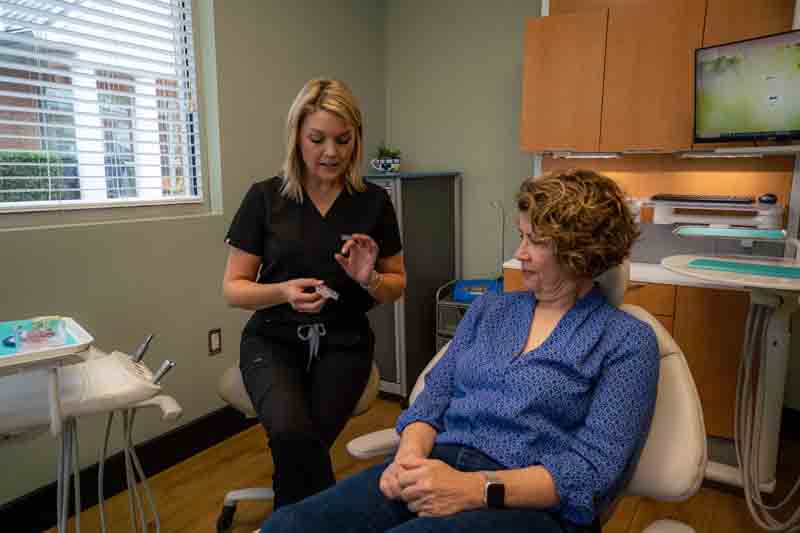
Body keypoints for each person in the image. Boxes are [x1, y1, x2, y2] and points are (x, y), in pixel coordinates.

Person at [260, 169, 660, 533]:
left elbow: (590, 473)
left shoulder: (625, 340)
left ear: (581, 254)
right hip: (437, 465)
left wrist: (473, 489)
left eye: (535, 242)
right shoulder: (491, 308)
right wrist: (408, 460)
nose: (520, 253)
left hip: (530, 503)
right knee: (289, 525)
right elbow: (433, 398)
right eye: (522, 236)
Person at [222, 78, 406, 508]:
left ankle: (289, 518)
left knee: (304, 444)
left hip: (344, 342)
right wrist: (283, 291)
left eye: (343, 140)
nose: (331, 152)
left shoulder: (373, 202)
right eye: (317, 139)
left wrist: (369, 279)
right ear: (297, 136)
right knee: (292, 434)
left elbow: (397, 284)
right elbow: (233, 289)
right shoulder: (265, 198)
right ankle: (319, 516)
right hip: (273, 339)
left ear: (356, 138)